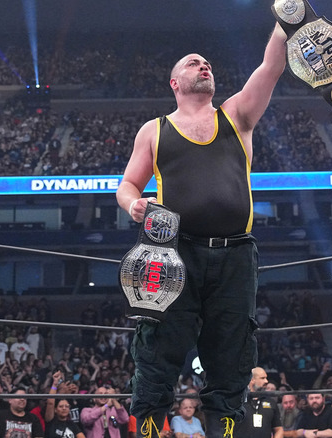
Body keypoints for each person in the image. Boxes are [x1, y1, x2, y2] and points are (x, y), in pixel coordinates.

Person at [115, 16, 287, 438]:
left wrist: (285, 26)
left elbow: (270, 68)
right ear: (175, 82)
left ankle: (225, 430)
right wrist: (133, 204)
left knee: (232, 349)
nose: (204, 66)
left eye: (207, 63)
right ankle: (152, 430)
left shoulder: (237, 115)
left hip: (236, 253)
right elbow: (127, 184)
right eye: (194, 63)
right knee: (158, 344)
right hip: (174, 251)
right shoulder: (154, 130)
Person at [233, 367, 282, 438]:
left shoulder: (271, 402)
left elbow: (279, 429)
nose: (266, 381)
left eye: (266, 378)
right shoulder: (238, 401)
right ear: (252, 379)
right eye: (262, 378)